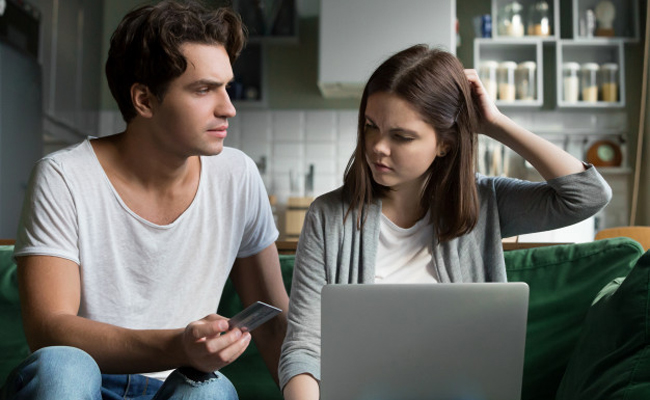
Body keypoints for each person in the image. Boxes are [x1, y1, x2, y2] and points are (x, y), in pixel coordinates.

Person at [278, 44, 612, 399]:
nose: (377, 147)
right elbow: (304, 347)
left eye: (401, 136)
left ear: (446, 144)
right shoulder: (328, 217)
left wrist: (495, 124)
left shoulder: (486, 203)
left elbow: (587, 195)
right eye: (370, 127)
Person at [0, 1, 289, 399]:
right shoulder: (64, 176)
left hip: (179, 389)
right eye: (204, 89)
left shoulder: (237, 176)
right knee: (64, 366)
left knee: (209, 389)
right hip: (85, 383)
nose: (229, 108)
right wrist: (178, 345)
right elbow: (50, 329)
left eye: (226, 87)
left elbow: (273, 323)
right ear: (145, 100)